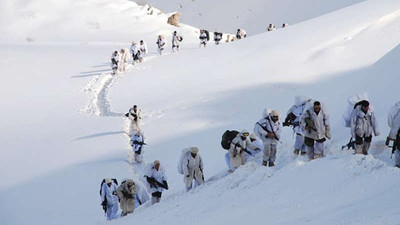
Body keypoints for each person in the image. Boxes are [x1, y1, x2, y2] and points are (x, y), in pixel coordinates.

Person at [387, 101, 400, 168]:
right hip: (397, 131)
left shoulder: (396, 108)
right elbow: (390, 119)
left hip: (396, 130)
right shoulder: (397, 108)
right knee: (398, 147)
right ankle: (397, 164)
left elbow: (390, 119)